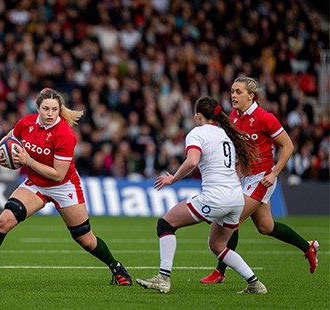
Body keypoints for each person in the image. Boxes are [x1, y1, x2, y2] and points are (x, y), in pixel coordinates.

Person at [0, 88, 132, 286]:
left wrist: (27, 160)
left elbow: (58, 174)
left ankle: (116, 267)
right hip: (36, 183)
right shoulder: (26, 123)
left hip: (64, 185)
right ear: (37, 108)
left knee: (85, 239)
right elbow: (9, 138)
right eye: (46, 109)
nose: (50, 113)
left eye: (54, 109)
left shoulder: (65, 134)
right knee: (4, 221)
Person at [136, 96, 267, 294]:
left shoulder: (197, 133)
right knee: (218, 245)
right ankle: (255, 283)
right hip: (235, 198)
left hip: (216, 197)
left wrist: (172, 179)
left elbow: (191, 161)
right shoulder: (227, 134)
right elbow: (237, 167)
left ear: (198, 115)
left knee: (165, 224)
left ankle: (163, 278)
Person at [200, 77, 319, 284]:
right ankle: (308, 247)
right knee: (266, 227)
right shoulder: (234, 117)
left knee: (232, 218)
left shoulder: (265, 117)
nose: (233, 95)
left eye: (238, 92)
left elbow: (288, 146)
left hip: (261, 179)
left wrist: (274, 174)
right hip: (245, 177)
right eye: (232, 91)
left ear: (251, 96)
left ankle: (220, 272)